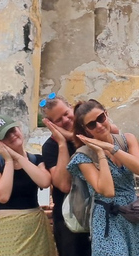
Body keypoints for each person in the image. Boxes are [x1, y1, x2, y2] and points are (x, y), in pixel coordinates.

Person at [66, 99, 139, 256]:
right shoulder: (83, 155)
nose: (99, 125)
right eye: (92, 124)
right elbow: (107, 191)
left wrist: (111, 148)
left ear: (106, 114)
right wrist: (100, 153)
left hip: (133, 214)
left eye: (100, 118)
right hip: (107, 219)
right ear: (85, 130)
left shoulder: (127, 140)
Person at [0, 114, 57, 256]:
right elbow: (2, 196)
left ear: (19, 128)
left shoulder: (36, 159)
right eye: (6, 135)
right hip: (8, 229)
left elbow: (44, 182)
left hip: (35, 227)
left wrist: (18, 157)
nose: (12, 136)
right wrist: (9, 161)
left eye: (13, 130)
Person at [40, 93, 92, 256]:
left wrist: (73, 136)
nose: (65, 120)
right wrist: (62, 143)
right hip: (70, 220)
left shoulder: (92, 131)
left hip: (100, 214)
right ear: (50, 124)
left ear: (71, 108)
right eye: (58, 120)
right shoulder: (50, 147)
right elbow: (63, 185)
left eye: (65, 114)